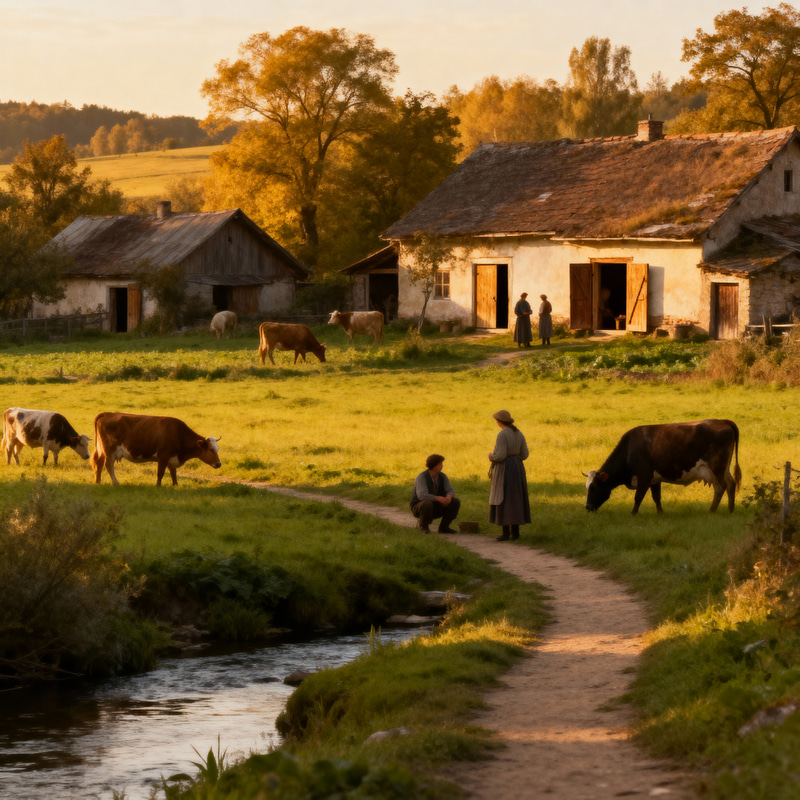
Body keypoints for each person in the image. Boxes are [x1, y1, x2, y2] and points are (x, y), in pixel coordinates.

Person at [488, 410, 531, 541]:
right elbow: (524, 454)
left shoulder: (502, 434)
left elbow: (500, 455)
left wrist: (492, 457)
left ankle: (506, 533)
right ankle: (515, 533)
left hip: (505, 468)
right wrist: (515, 459)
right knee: (516, 498)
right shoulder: (519, 433)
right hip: (517, 467)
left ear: (499, 421)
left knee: (504, 497)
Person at [410, 454, 461, 533]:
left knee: (455, 501)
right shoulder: (422, 477)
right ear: (434, 465)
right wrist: (437, 498)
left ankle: (444, 527)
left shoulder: (442, 476)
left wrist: (448, 497)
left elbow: (450, 490)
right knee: (427, 504)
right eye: (440, 464)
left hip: (436, 505)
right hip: (420, 506)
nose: (442, 466)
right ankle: (423, 526)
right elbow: (422, 495)